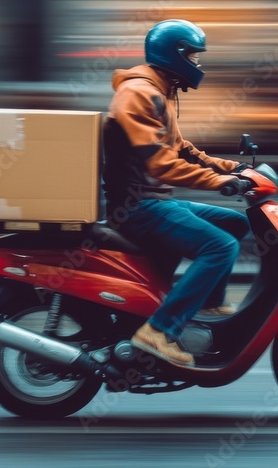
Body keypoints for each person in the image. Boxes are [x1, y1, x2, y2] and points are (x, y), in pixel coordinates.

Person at [102, 19, 251, 367]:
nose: (198, 65)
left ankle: (208, 301)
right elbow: (161, 165)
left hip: (154, 200)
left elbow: (181, 149)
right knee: (220, 246)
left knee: (235, 224)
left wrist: (232, 169)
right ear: (175, 55)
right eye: (193, 57)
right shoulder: (139, 94)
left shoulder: (160, 91)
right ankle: (161, 331)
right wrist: (218, 183)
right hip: (137, 207)